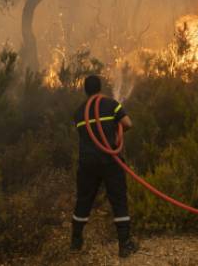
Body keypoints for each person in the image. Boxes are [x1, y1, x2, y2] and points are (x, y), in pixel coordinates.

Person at [70, 74, 138, 258]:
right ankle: (125, 245)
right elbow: (128, 124)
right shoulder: (111, 104)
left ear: (85, 91)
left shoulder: (78, 113)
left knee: (83, 200)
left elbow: (85, 133)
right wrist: (116, 135)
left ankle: (76, 241)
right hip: (110, 161)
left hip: (87, 164)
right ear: (100, 88)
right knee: (118, 200)